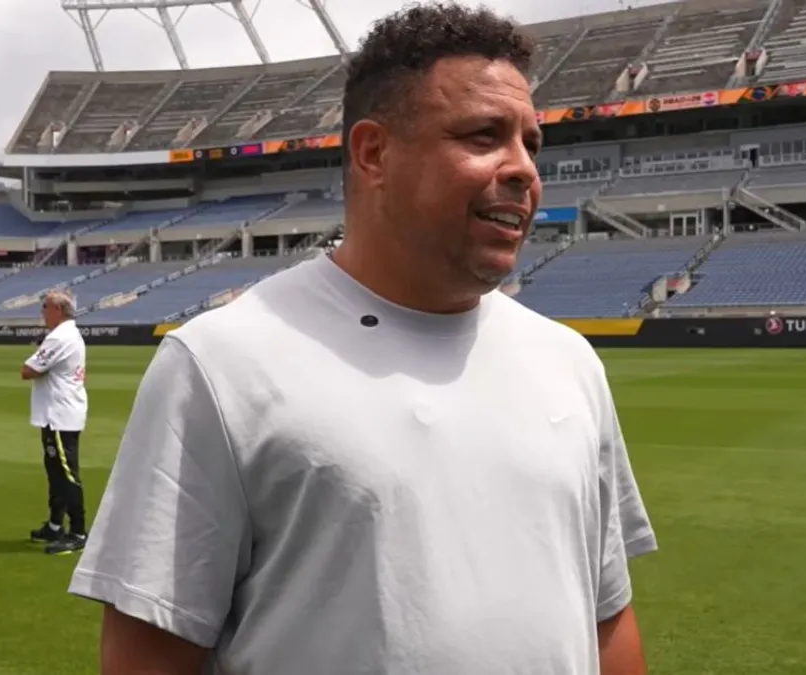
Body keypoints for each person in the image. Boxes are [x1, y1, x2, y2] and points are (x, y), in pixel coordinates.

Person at [69, 4, 658, 674]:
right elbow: (149, 655)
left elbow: (606, 618)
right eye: (484, 136)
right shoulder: (220, 364)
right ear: (374, 153)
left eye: (532, 143)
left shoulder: (569, 362)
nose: (524, 168)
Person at [22, 288, 89, 556]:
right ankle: (54, 524)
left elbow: (28, 370)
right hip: (57, 413)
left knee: (66, 473)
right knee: (55, 472)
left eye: (46, 307)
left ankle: (78, 531)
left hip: (60, 414)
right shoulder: (68, 334)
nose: (42, 312)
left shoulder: (60, 337)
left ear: (59, 310)